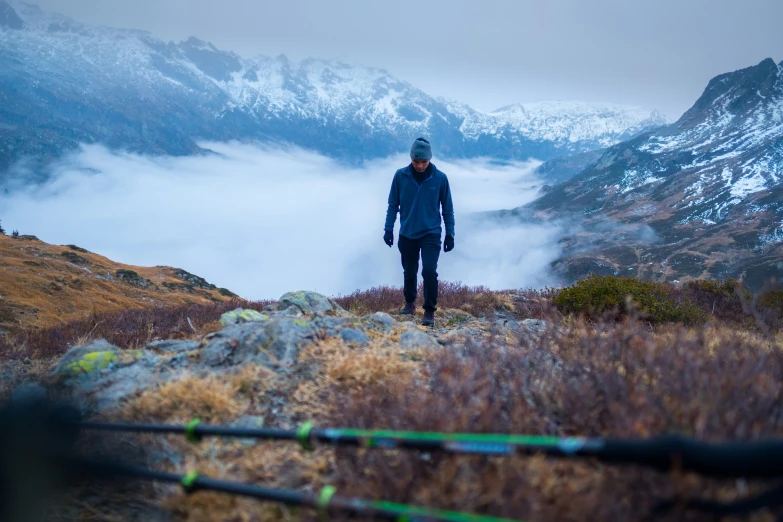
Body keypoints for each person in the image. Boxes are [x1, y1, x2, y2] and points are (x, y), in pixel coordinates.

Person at [383, 137, 455, 327]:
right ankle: (409, 304)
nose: (420, 165)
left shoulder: (440, 178)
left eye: (424, 161)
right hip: (407, 232)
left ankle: (429, 311)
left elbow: (447, 208)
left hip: (431, 233)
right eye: (416, 161)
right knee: (409, 271)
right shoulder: (400, 176)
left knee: (429, 271)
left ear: (430, 159)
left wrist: (450, 234)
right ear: (411, 158)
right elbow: (393, 205)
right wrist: (388, 229)